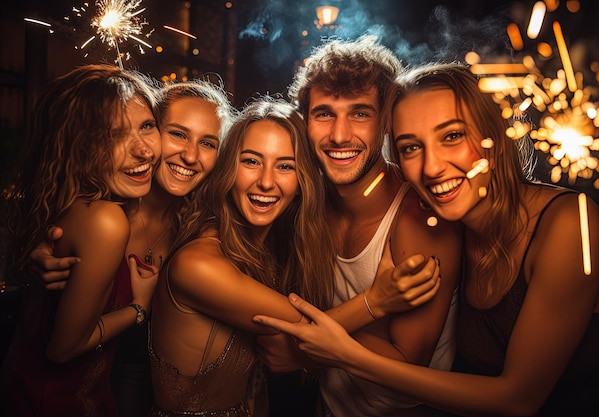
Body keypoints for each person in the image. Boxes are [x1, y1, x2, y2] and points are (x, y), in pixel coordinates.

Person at [252, 62, 599, 416]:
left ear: (493, 135)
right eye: (412, 147)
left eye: (452, 136)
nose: (431, 167)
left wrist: (339, 351)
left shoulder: (569, 225)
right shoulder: (451, 224)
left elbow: (518, 401)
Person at [148, 97, 441, 417]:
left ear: (302, 181)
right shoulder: (199, 264)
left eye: (285, 166)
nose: (266, 181)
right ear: (228, 168)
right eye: (251, 161)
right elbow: (304, 331)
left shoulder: (269, 251)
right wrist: (377, 300)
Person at [257, 35, 463, 417]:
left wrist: (301, 346)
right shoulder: (306, 203)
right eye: (324, 114)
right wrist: (370, 305)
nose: (339, 135)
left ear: (386, 121)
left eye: (360, 113)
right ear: (304, 122)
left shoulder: (417, 217)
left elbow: (407, 361)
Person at [25, 77, 239, 417]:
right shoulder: (99, 210)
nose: (190, 155)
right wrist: (37, 251)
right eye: (178, 134)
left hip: (135, 393)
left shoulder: (199, 228)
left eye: (209, 143)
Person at [0, 64, 161, 417]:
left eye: (147, 126)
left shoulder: (75, 205)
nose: (143, 150)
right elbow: (63, 349)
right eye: (113, 136)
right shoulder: (105, 220)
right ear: (79, 147)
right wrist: (139, 308)